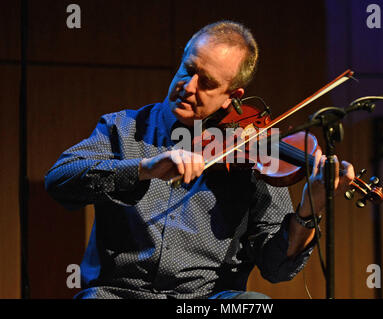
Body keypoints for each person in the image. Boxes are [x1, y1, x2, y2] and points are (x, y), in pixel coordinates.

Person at [45, 21, 354, 299]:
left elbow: (277, 268)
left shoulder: (251, 149)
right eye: (187, 70)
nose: (188, 88)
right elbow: (59, 180)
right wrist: (143, 169)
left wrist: (309, 208)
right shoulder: (123, 128)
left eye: (206, 83)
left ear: (233, 94)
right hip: (118, 294)